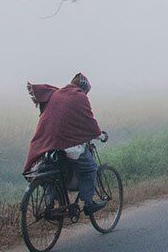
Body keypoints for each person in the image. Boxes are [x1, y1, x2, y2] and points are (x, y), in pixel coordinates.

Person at [23, 73, 106, 215]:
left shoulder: (57, 94)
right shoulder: (80, 97)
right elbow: (89, 121)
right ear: (83, 88)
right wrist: (99, 135)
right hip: (67, 143)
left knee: (52, 172)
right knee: (90, 168)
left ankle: (50, 202)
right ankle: (88, 203)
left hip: (47, 143)